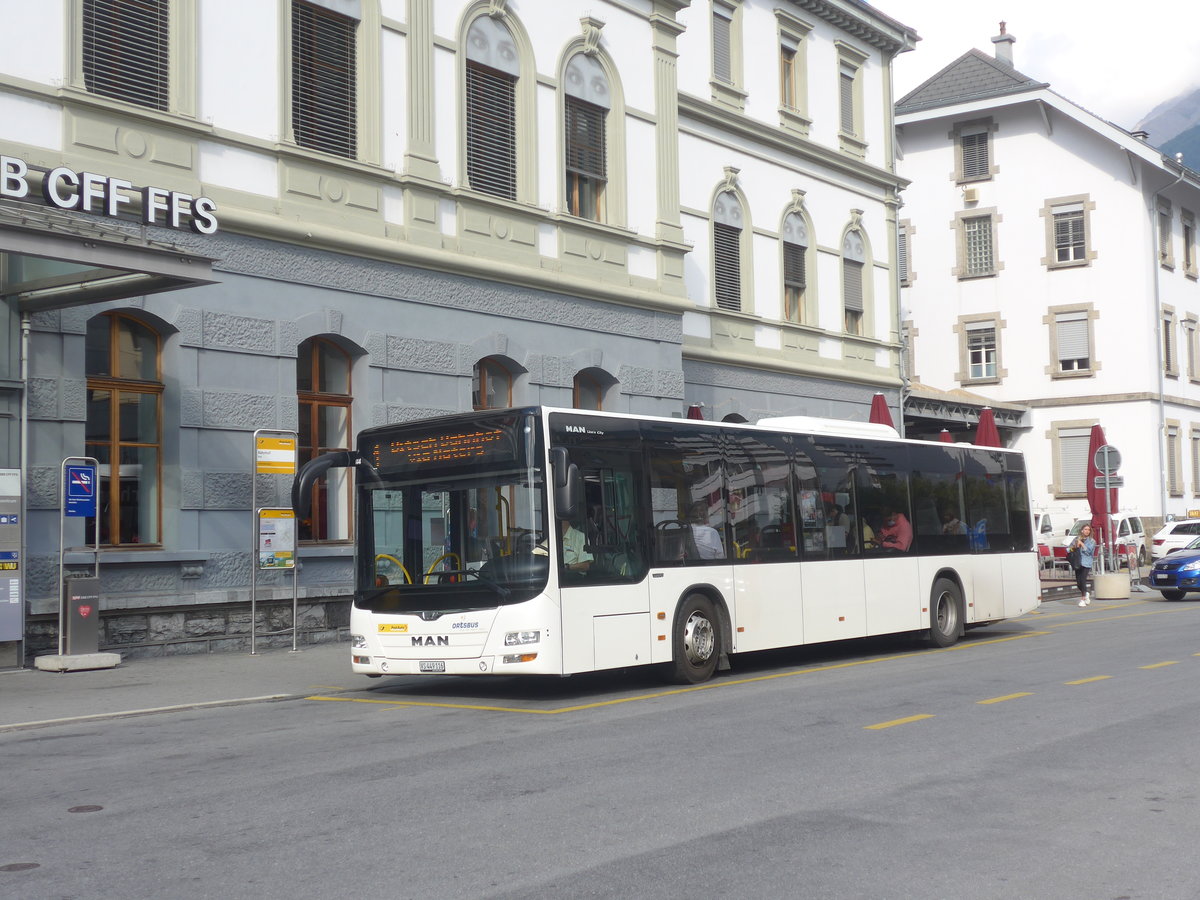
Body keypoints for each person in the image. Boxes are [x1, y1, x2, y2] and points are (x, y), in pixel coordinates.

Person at [1071, 523, 1097, 606]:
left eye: (1089, 530)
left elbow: (1089, 551)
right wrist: (1075, 546)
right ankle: (1086, 593)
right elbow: (1069, 549)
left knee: (1083, 580)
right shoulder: (1077, 539)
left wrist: (1082, 544)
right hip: (1078, 562)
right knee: (1079, 583)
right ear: (1082, 530)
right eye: (1085, 529)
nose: (1087, 531)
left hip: (1086, 562)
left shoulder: (1092, 541)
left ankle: (1083, 599)